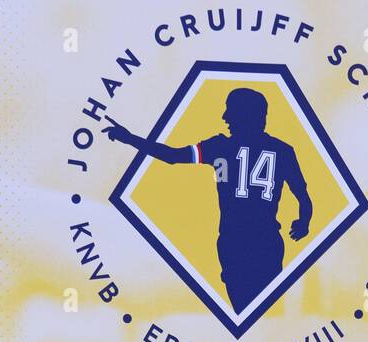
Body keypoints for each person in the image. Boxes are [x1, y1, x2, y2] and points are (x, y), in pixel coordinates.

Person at [104, 87, 313, 313]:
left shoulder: (220, 146)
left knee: (251, 314)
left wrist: (130, 139)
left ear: (246, 115)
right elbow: (303, 195)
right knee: (264, 317)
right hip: (265, 244)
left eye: (230, 112)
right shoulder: (282, 150)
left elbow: (172, 156)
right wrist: (304, 222)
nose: (225, 118)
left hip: (236, 244)